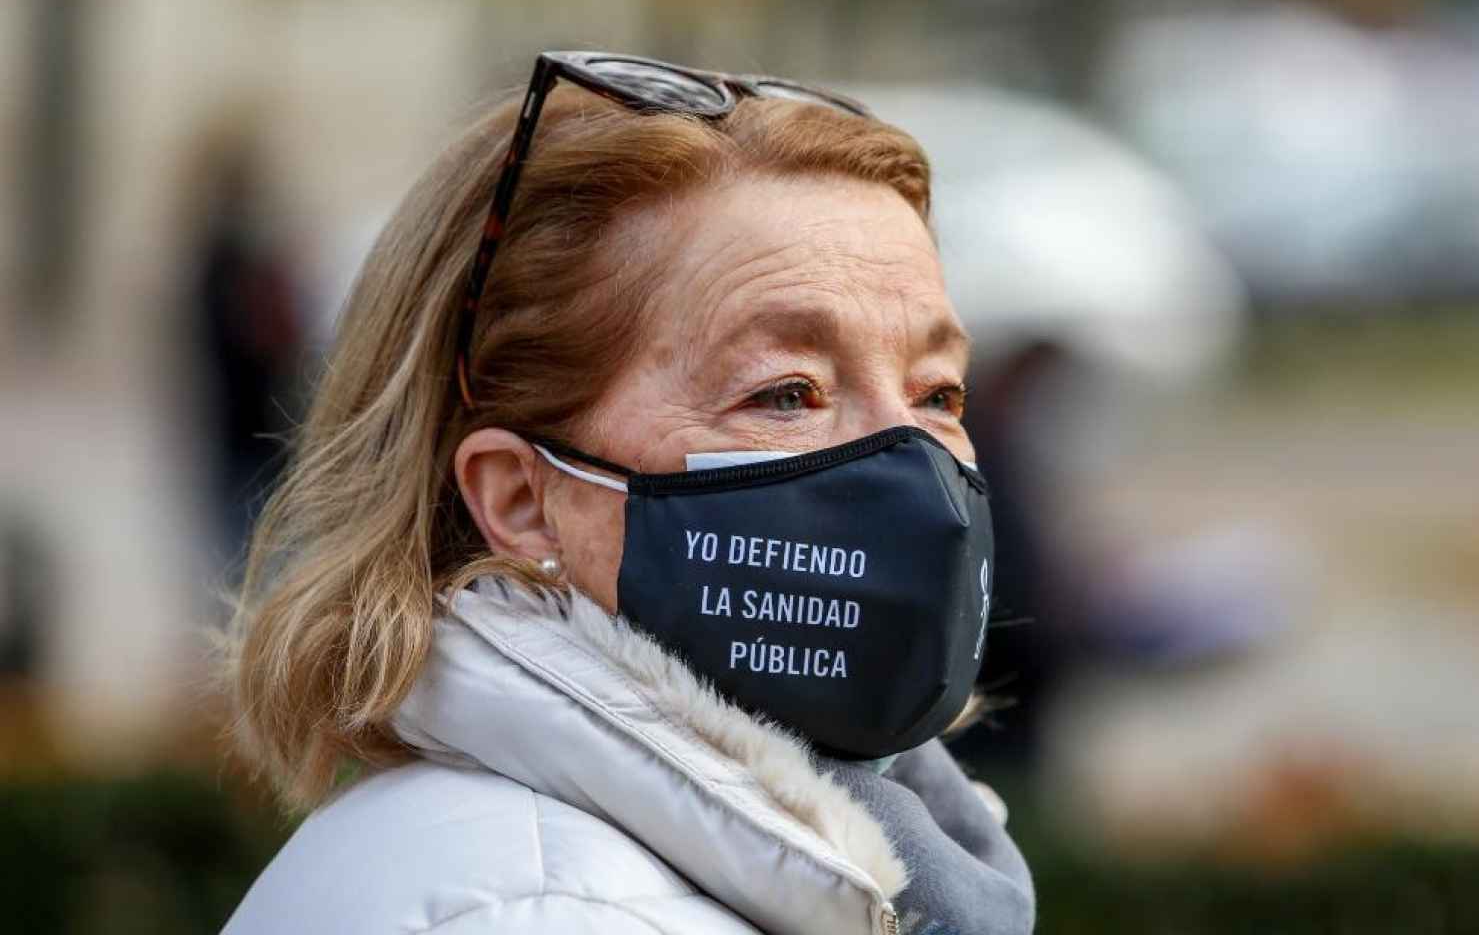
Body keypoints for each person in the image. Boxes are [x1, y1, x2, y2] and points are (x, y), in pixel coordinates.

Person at [220, 52, 1034, 935]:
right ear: (524, 500)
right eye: (785, 392)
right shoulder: (544, 913)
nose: (910, 459)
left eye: (937, 393)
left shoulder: (835, 858)